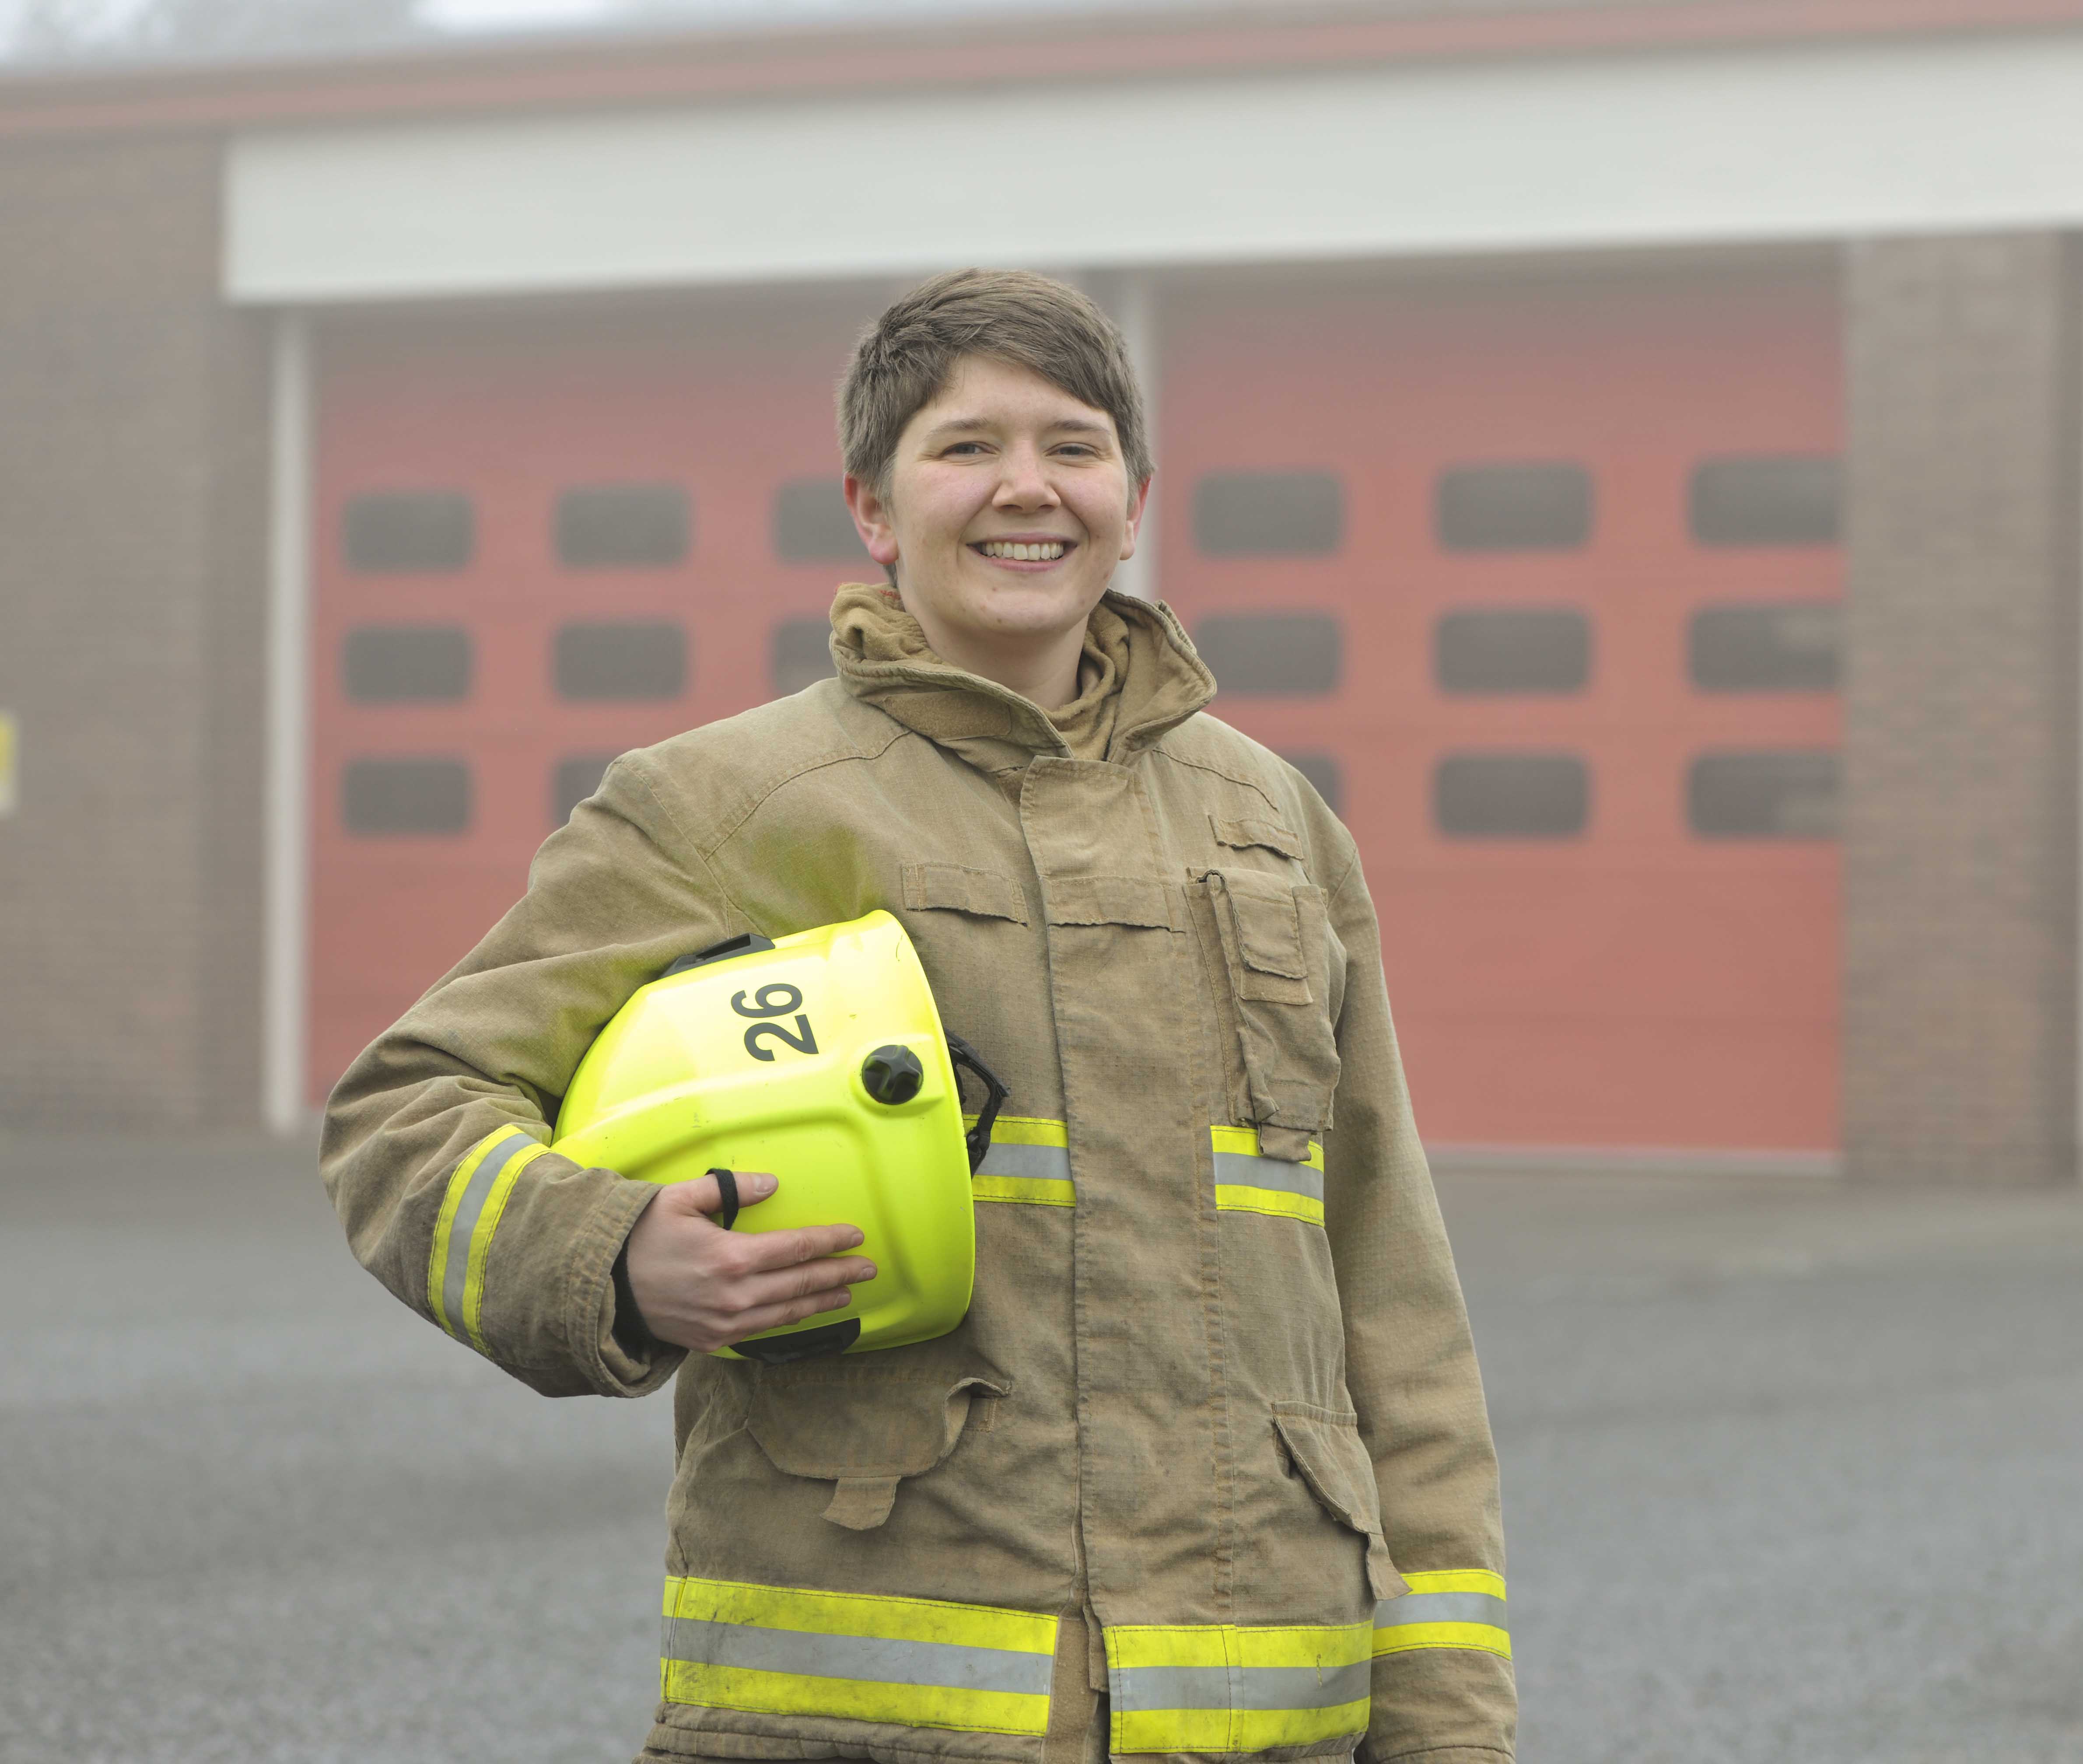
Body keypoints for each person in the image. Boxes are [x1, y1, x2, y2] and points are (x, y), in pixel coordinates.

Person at [322, 268, 1515, 1764]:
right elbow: (404, 1109)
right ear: (874, 508)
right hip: (859, 1729)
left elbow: (1390, 1288)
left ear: (1135, 497)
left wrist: (1452, 1729)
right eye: (967, 447)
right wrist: (617, 1256)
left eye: (1073, 447)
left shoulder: (1274, 826)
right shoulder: (723, 807)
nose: (1029, 487)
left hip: (1269, 1727)